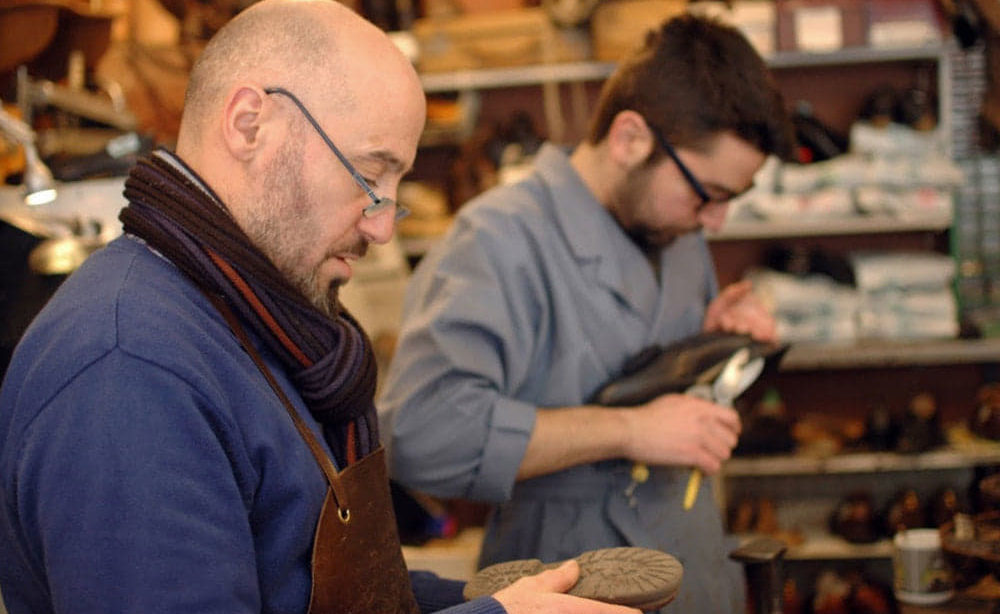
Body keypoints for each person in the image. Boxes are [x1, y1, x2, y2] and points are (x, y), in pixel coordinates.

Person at [0, 2, 644, 613]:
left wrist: (494, 600)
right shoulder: (131, 372)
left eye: (398, 188)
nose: (384, 226)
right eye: (370, 175)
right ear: (250, 125)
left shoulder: (252, 318)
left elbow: (303, 588)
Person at [380, 13, 795, 614]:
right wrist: (629, 432)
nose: (715, 224)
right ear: (631, 138)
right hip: (568, 577)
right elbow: (422, 435)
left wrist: (719, 347)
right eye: (709, 195)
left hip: (694, 562)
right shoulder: (496, 241)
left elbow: (665, 386)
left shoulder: (676, 232)